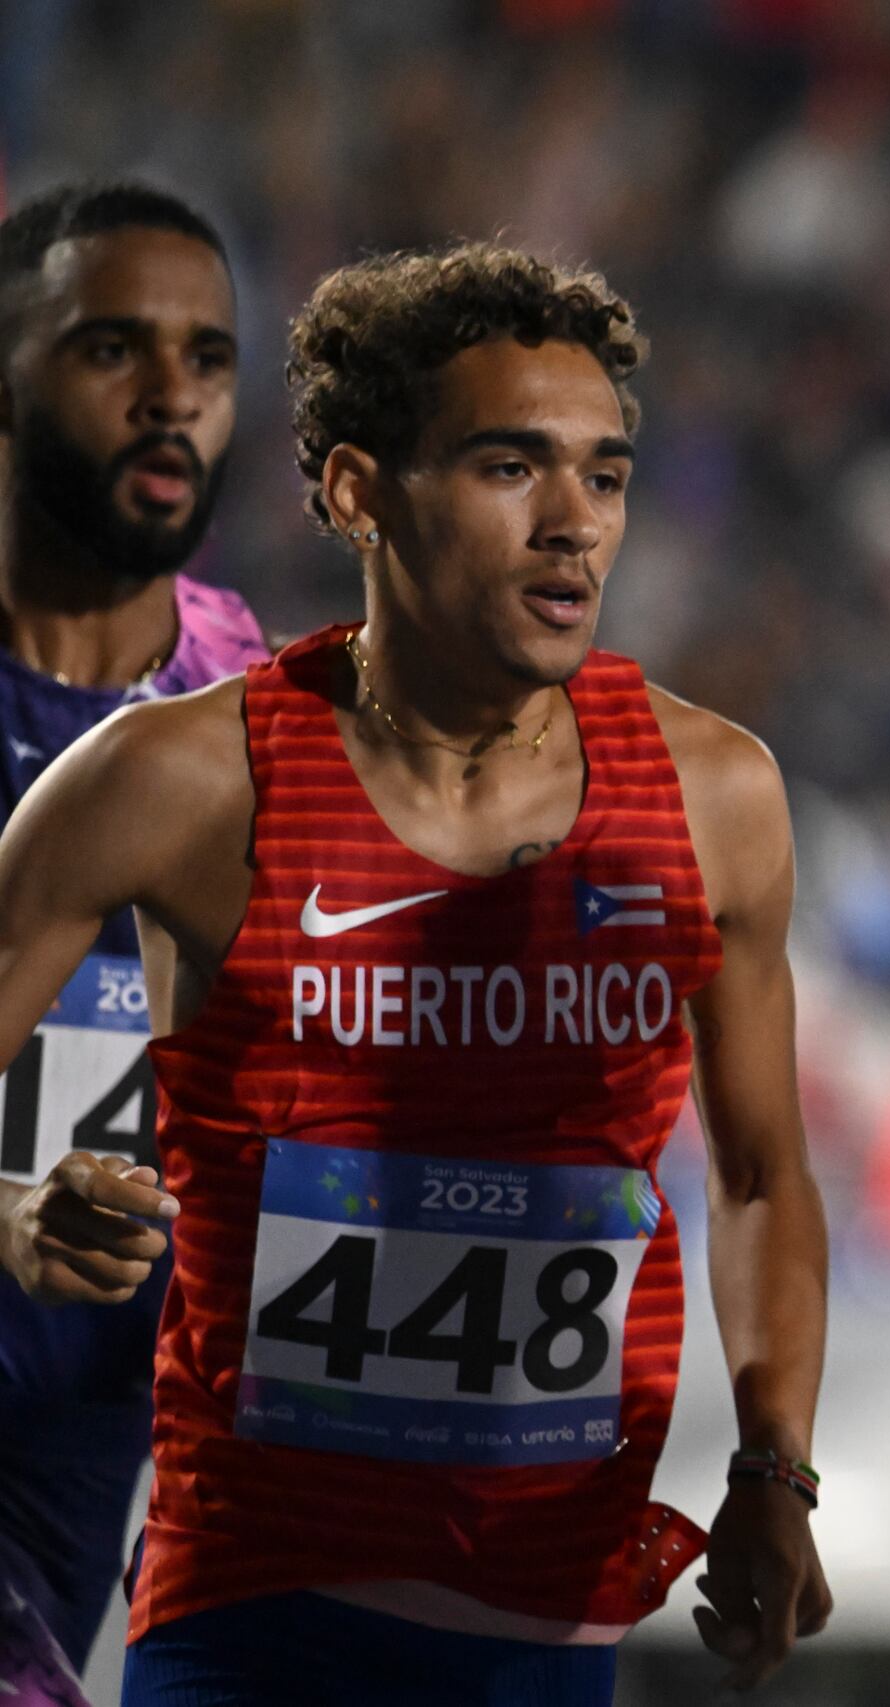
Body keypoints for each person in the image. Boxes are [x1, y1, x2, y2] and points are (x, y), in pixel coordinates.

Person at [0, 241, 831, 1704]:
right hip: (252, 1608)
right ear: (355, 491)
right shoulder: (170, 784)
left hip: (551, 1627)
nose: (575, 525)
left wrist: (775, 1468)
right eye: (514, 468)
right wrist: (14, 1216)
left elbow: (762, 1172)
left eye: (608, 476)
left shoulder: (718, 794)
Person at [0, 179, 266, 1703]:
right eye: (113, 351)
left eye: (209, 360)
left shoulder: (265, 712)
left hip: (96, 1464)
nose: (172, 398)